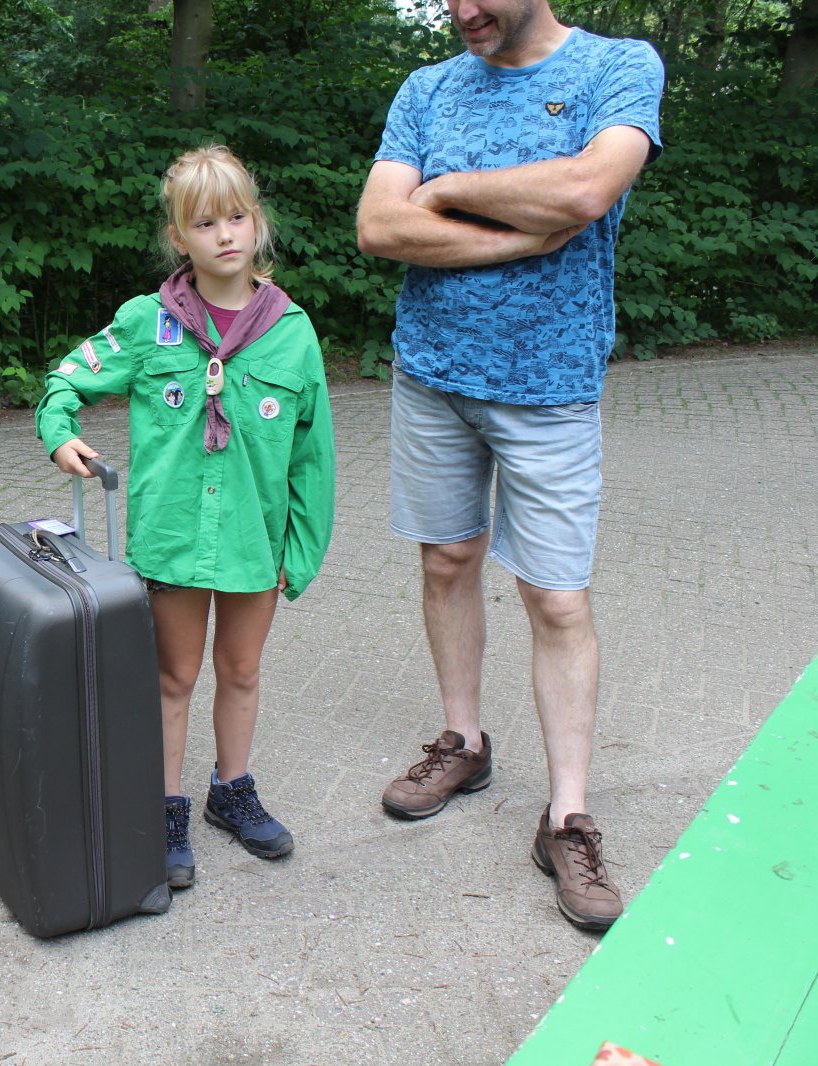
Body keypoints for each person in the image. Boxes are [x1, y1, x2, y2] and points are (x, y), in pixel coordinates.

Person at [355, 0, 663, 930]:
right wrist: (513, 229)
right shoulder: (427, 87)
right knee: (446, 558)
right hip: (433, 374)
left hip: (552, 383)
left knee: (556, 596)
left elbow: (582, 195)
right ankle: (465, 739)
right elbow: (377, 227)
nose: (462, 10)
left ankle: (567, 816)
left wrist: (444, 191)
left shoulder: (618, 67)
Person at [35, 145, 336, 890]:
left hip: (252, 545)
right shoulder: (149, 323)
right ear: (180, 238)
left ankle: (231, 792)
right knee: (173, 677)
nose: (225, 234)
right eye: (205, 223)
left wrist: (298, 554)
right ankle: (165, 808)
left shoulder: (291, 329)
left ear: (257, 223)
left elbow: (313, 456)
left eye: (237, 216)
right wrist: (59, 431)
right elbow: (64, 378)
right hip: (169, 544)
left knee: (241, 669)